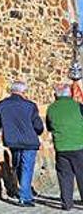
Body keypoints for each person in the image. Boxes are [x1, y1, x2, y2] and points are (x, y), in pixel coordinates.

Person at [0, 80, 44, 207]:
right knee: (26, 168)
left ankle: (24, 191)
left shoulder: (0, 106)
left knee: (19, 166)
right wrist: (37, 130)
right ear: (22, 92)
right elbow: (39, 127)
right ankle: (25, 197)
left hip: (12, 142)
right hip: (29, 142)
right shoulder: (30, 106)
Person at [47, 83, 83, 211]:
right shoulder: (78, 106)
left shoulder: (51, 108)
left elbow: (49, 127)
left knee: (64, 176)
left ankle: (67, 203)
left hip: (61, 147)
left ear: (56, 95)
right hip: (79, 145)